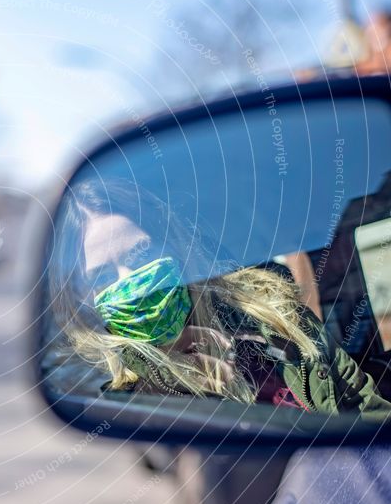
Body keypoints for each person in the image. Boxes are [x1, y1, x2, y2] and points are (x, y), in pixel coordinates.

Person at [45, 178, 391, 420]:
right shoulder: (111, 395)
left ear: (172, 246)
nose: (132, 282)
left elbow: (366, 408)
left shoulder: (273, 312)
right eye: (103, 276)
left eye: (140, 255)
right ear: (82, 299)